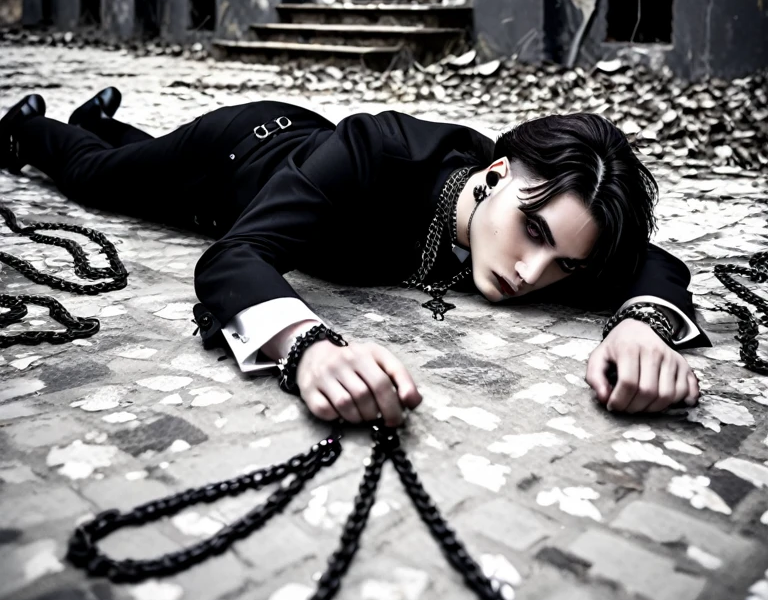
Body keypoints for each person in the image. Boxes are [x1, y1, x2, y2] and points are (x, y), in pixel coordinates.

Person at [0, 88, 705, 426]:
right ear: (495, 174)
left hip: (300, 150)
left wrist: (643, 325)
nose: (531, 275)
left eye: (564, 269)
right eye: (536, 236)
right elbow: (232, 257)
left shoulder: (553, 218)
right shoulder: (375, 150)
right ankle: (34, 131)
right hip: (233, 154)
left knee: (122, 156)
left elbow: (652, 262)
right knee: (104, 181)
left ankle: (101, 122)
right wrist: (307, 346)